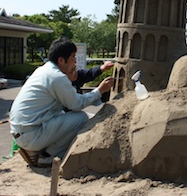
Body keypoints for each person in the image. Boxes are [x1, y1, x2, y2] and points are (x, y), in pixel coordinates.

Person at [9, 36, 114, 167]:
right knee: (81, 117)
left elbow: (81, 78)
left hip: (22, 131)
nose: (75, 62)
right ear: (61, 60)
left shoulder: (44, 70)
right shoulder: (57, 77)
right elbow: (77, 104)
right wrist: (100, 90)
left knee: (65, 116)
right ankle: (48, 156)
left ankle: (36, 149)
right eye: (73, 58)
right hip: (30, 135)